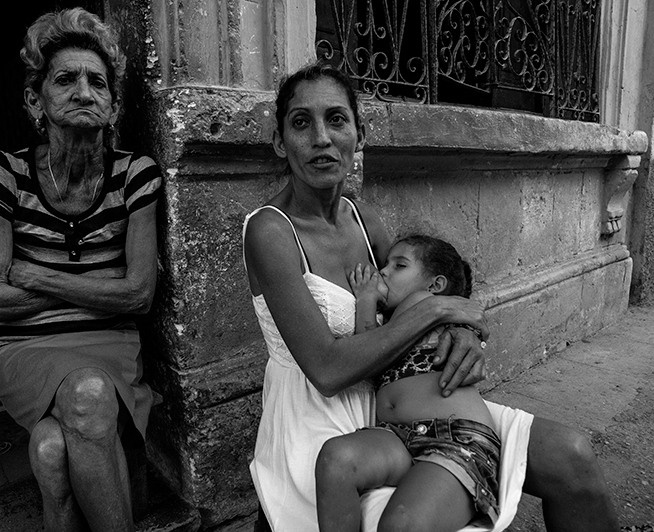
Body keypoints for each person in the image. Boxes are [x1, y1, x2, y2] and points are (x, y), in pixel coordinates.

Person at [242, 62, 619, 532]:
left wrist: (461, 331)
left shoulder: (363, 219)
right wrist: (442, 311)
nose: (321, 137)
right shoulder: (269, 231)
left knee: (572, 457)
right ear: (280, 141)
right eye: (301, 123)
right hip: (320, 424)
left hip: (405, 399)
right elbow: (327, 370)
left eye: (336, 119)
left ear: (360, 133)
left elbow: (420, 290)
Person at [0, 8, 162, 531]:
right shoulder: (3, 174)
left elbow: (140, 294)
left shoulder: (135, 176)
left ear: (113, 105)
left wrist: (35, 276)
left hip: (109, 344)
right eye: (66, 79)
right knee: (87, 396)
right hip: (24, 350)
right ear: (35, 99)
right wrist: (99, 287)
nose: (84, 91)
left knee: (52, 449)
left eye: (97, 82)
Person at [316, 235, 502, 531]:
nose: (384, 272)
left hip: (454, 438)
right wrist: (370, 302)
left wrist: (366, 298)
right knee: (336, 459)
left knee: (401, 524)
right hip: (400, 437)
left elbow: (372, 350)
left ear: (435, 286)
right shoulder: (400, 321)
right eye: (385, 264)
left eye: (399, 266)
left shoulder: (424, 303)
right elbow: (370, 357)